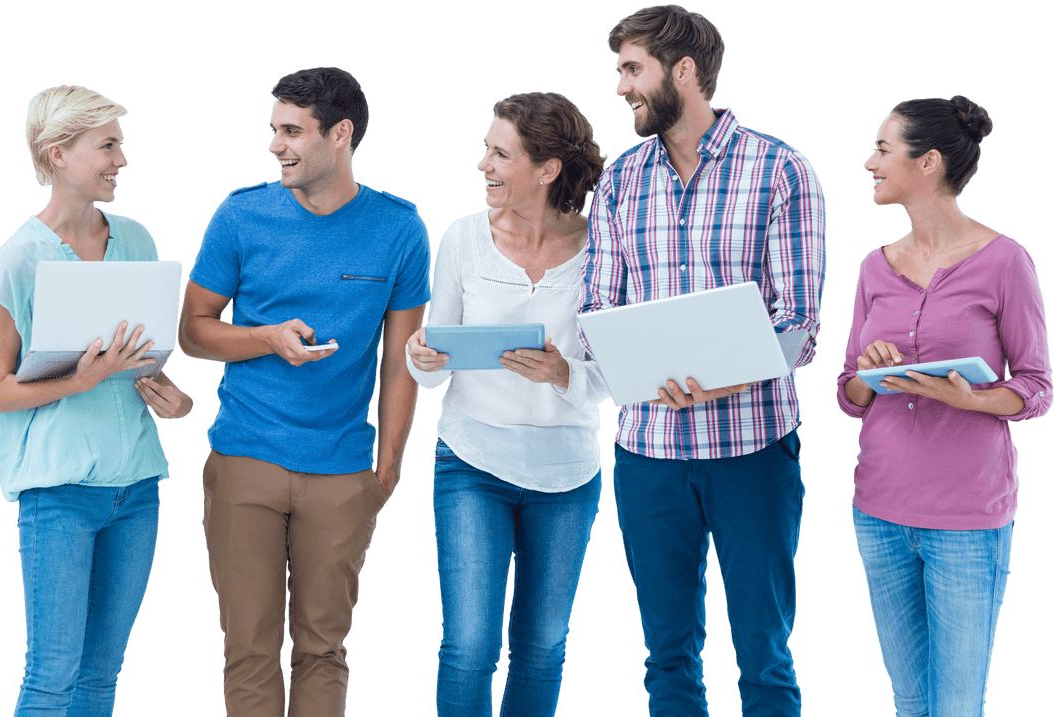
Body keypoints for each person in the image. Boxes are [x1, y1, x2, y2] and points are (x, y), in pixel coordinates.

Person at [581, 7, 826, 716]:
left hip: (752, 450)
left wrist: (721, 374)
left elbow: (799, 320)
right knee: (667, 658)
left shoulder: (780, 169)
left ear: (681, 72)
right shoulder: (621, 184)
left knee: (764, 654)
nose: (622, 86)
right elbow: (597, 312)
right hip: (649, 455)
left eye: (633, 69)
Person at [178, 67, 430, 717]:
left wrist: (389, 463)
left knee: (322, 649)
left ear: (340, 134)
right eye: (274, 130)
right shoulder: (241, 213)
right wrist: (265, 338)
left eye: (292, 131)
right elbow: (193, 330)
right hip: (244, 461)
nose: (275, 145)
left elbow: (403, 359)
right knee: (250, 648)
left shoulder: (399, 228)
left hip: (344, 471)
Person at [0, 85, 192, 717]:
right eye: (107, 146)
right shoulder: (15, 261)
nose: (121, 160)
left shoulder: (137, 240)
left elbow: (151, 364)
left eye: (120, 145)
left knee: (100, 677)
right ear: (58, 153)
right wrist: (80, 380)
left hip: (138, 491)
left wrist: (172, 401)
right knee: (51, 676)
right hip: (60, 497)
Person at [837, 96, 1052, 717]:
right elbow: (849, 390)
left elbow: (1038, 385)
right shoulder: (874, 266)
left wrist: (974, 399)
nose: (869, 163)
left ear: (927, 162)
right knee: (910, 699)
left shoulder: (1006, 261)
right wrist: (871, 377)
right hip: (878, 511)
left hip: (966, 518)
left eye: (882, 150)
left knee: (956, 705)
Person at [405, 92, 607, 717]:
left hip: (567, 471)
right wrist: (423, 356)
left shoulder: (605, 244)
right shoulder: (465, 237)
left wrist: (562, 372)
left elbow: (620, 371)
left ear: (546, 169)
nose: (482, 165)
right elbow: (431, 364)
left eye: (500, 153)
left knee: (543, 647)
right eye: (485, 150)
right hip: (472, 461)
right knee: (468, 645)